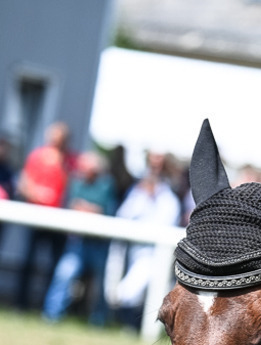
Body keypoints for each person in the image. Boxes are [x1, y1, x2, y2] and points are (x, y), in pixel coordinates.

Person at [104, 152, 181, 329]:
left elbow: (168, 221)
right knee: (124, 288)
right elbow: (123, 215)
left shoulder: (168, 199)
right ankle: (126, 323)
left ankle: (135, 325)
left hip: (154, 253)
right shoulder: (137, 192)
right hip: (131, 249)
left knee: (135, 289)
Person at [43, 151, 117, 325]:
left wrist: (87, 209)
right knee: (64, 274)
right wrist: (89, 209)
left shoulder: (106, 185)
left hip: (98, 244)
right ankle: (51, 315)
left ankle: (98, 320)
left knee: (99, 283)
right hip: (77, 243)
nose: (83, 171)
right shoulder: (76, 183)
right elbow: (69, 205)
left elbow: (106, 211)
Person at [15, 122, 72, 309]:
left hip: (57, 220)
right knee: (28, 260)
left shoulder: (67, 161)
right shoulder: (37, 156)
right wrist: (37, 194)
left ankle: (45, 306)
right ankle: (21, 302)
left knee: (54, 265)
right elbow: (23, 183)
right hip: (36, 216)